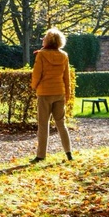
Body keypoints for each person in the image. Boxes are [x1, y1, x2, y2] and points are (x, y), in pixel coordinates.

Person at [31, 28, 73, 163]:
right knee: (61, 123)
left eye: (44, 38)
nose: (42, 39)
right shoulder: (64, 55)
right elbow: (67, 77)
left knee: (43, 124)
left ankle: (41, 155)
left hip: (44, 93)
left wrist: (34, 86)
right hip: (59, 92)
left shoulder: (41, 55)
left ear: (48, 40)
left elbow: (37, 74)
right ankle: (68, 153)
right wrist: (68, 94)